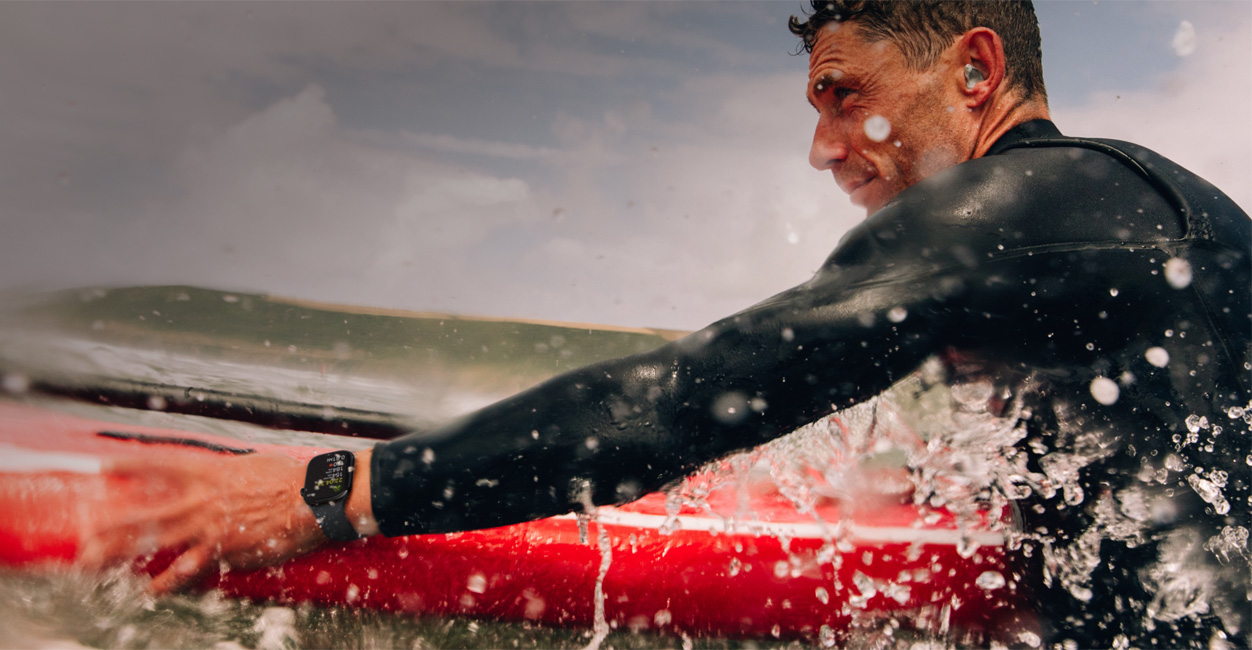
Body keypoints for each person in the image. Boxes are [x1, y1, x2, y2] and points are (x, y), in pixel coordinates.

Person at [83, 1, 1250, 647]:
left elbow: (685, 399)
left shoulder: (982, 222)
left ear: (975, 71)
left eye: (843, 94)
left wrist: (332, 488)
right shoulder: (1179, 213)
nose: (823, 148)